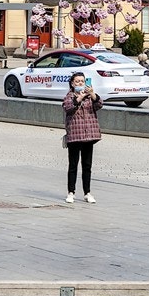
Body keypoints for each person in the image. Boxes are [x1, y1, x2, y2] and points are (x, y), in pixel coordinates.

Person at [61, 74, 102, 204]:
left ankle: (87, 192)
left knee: (87, 165)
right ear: (72, 84)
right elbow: (68, 107)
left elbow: (99, 105)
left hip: (89, 135)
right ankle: (71, 192)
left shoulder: (90, 97)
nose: (80, 83)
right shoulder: (69, 96)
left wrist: (93, 95)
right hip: (75, 135)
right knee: (73, 165)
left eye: (82, 81)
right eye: (77, 81)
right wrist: (80, 97)